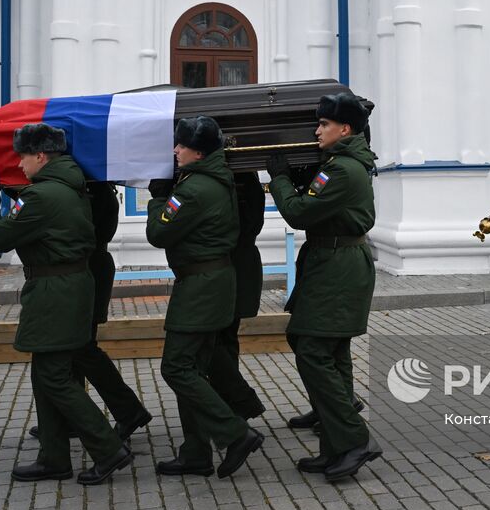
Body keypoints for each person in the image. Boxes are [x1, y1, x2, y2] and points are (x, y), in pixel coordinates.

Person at [0, 124, 131, 485]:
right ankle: (54, 457)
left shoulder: (41, 196)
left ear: (41, 156)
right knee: (46, 372)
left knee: (54, 376)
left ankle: (107, 449)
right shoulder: (71, 189)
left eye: (23, 156)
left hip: (54, 290)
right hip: (67, 286)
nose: (19, 163)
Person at [267, 92, 380, 481]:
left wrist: (280, 178)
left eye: (323, 125)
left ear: (344, 129)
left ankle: (354, 440)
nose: (316, 131)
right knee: (328, 350)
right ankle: (335, 446)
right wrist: (301, 178)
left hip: (338, 266)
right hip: (332, 261)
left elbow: (298, 214)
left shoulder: (342, 169)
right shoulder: (339, 164)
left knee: (313, 348)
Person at [146, 116, 264, 479]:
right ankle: (195, 452)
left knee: (177, 367)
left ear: (198, 151)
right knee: (194, 368)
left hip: (201, 288)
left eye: (180, 145)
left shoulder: (194, 189)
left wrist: (159, 198)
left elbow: (157, 233)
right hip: (212, 284)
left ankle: (235, 433)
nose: (175, 151)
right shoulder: (216, 180)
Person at [26, 181, 152, 444]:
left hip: (87, 270)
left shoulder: (91, 193)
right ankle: (74, 417)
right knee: (76, 349)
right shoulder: (93, 190)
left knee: (81, 348)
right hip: (89, 269)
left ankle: (127, 410)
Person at [206, 170, 269, 420]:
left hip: (231, 264)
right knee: (224, 338)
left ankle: (238, 401)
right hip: (238, 263)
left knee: (215, 339)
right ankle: (231, 402)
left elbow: (251, 223)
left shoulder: (239, 181)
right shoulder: (247, 180)